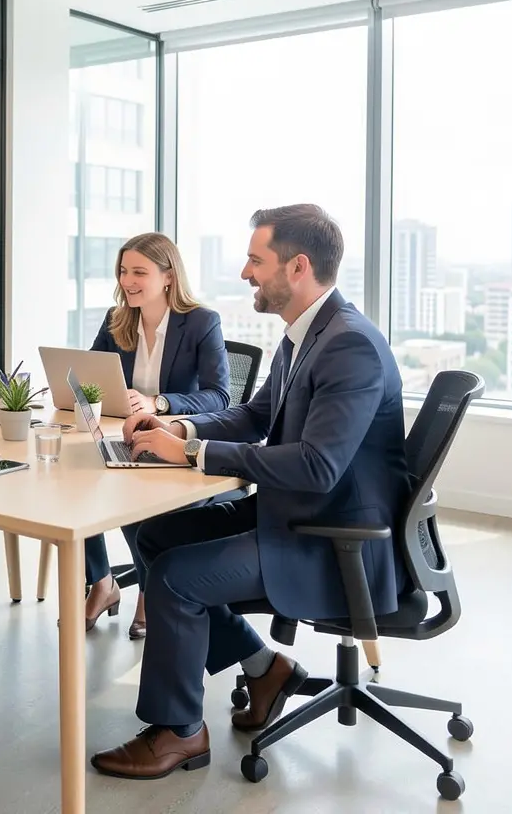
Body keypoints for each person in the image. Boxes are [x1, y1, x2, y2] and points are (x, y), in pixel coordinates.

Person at [91, 204, 410, 780]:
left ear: (298, 267)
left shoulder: (349, 345)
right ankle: (265, 668)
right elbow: (255, 415)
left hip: (331, 538)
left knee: (173, 579)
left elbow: (316, 467)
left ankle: (179, 732)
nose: (244, 273)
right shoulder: (305, 336)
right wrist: (179, 429)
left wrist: (191, 453)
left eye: (255, 260)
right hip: (293, 514)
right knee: (159, 534)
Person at [83, 232, 230, 640]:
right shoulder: (117, 321)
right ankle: (101, 583)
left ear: (168, 276)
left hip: (173, 444)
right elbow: (91, 380)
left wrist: (159, 403)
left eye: (139, 272)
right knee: (75, 489)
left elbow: (219, 396)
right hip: (124, 438)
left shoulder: (201, 322)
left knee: (135, 504)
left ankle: (148, 592)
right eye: (124, 270)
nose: (128, 280)